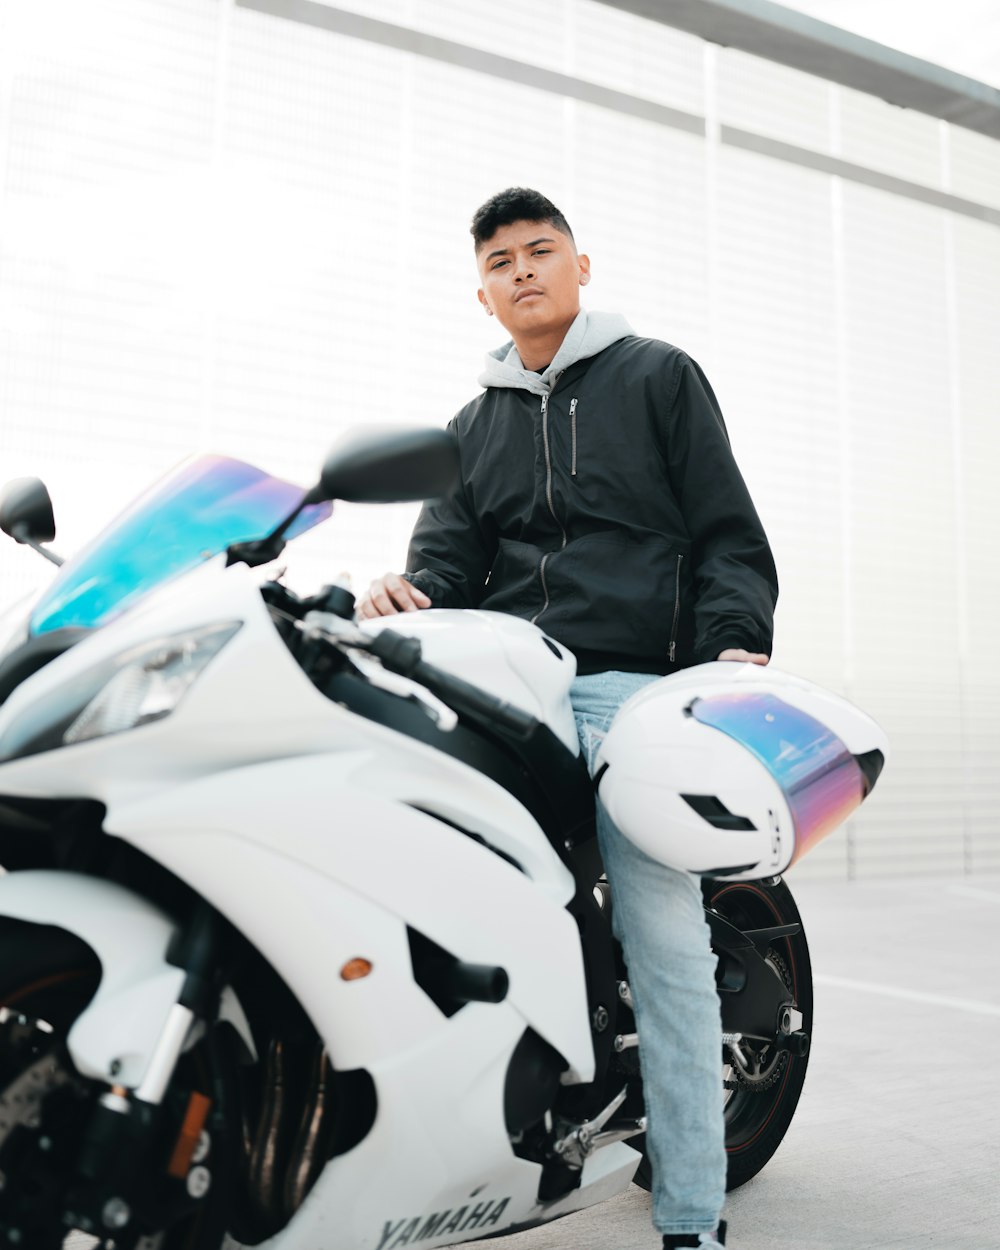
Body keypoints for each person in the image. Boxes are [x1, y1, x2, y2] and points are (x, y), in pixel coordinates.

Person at [357, 187, 778, 1249]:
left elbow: (724, 527)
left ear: (581, 267)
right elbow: (447, 565)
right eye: (501, 262)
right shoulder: (469, 427)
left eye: (540, 251)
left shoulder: (658, 376)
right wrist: (400, 591)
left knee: (661, 927)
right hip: (513, 682)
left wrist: (733, 643)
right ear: (483, 293)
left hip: (635, 683)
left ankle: (689, 1208)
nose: (522, 271)